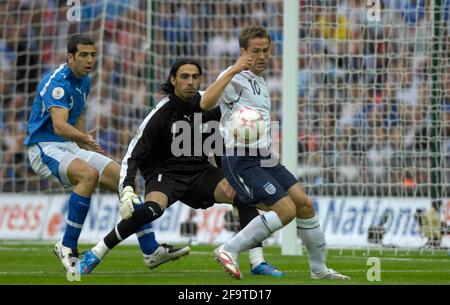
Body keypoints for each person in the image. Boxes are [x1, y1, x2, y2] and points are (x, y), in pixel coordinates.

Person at [76, 58, 284, 277]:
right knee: (152, 209)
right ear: (173, 80)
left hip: (200, 173)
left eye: (195, 77)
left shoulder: (212, 106)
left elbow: (221, 144)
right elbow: (133, 153)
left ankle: (257, 262)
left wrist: (232, 177)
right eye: (184, 77)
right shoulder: (162, 113)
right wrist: (127, 187)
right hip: (164, 174)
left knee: (244, 194)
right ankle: (95, 253)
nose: (190, 82)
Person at [23, 34, 189, 273]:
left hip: (68, 145)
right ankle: (67, 245)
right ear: (70, 57)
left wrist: (83, 141)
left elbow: (76, 115)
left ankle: (151, 250)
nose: (90, 59)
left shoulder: (84, 81)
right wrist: (83, 138)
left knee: (124, 179)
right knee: (88, 175)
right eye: (83, 55)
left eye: (92, 54)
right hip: (44, 147)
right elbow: (59, 125)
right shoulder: (58, 83)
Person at [199, 25, 350, 280]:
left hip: (265, 156)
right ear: (243, 51)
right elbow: (204, 105)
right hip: (242, 159)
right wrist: (234, 69)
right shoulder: (234, 77)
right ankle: (229, 249)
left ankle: (319, 270)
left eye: (266, 50)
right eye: (255, 51)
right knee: (286, 210)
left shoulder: (259, 81)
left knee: (304, 204)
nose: (261, 56)